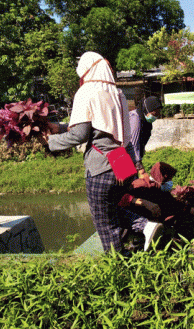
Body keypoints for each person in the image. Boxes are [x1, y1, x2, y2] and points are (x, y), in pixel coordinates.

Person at [45, 51, 162, 254]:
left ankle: (118, 270)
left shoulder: (87, 92)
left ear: (87, 70)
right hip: (122, 167)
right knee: (112, 211)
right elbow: (103, 128)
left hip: (100, 169)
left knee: (105, 226)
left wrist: (50, 142)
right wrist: (59, 128)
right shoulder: (118, 94)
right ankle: (146, 225)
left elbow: (80, 135)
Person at [118, 162, 194, 249]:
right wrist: (144, 203)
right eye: (169, 179)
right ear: (163, 177)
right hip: (130, 223)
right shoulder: (141, 185)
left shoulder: (162, 192)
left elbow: (182, 207)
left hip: (151, 225)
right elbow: (122, 198)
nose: (171, 182)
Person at [130, 96, 162, 177]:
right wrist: (140, 168)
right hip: (126, 158)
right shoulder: (135, 120)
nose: (155, 117)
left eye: (157, 114)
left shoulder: (146, 122)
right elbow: (133, 145)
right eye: (154, 114)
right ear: (147, 109)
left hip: (134, 158)